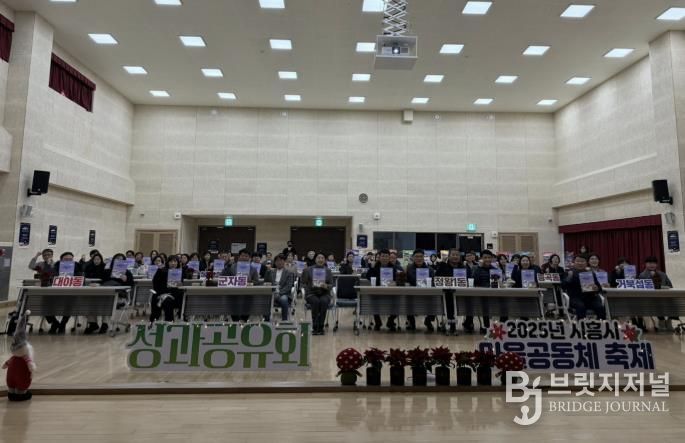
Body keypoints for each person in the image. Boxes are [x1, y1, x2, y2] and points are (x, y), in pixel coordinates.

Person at [86, 252, 135, 334]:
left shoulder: (127, 273)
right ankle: (93, 323)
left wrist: (126, 280)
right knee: (91, 299)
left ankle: (105, 324)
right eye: (117, 259)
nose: (119, 261)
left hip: (118, 296)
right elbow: (102, 281)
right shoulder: (107, 271)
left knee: (108, 301)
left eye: (121, 260)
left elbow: (131, 286)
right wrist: (97, 284)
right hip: (104, 294)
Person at [47, 252, 83, 334]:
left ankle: (63, 323)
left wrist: (72, 275)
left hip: (71, 292)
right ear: (61, 260)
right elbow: (51, 277)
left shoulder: (77, 266)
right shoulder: (56, 265)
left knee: (70, 303)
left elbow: (81, 277)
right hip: (56, 292)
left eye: (70, 259)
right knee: (45, 302)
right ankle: (55, 322)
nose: (68, 261)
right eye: (66, 259)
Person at [435, 248, 469, 335]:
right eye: (453, 255)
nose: (455, 256)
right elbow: (437, 278)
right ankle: (451, 325)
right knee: (449, 302)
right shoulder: (443, 266)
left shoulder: (463, 268)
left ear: (460, 257)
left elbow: (468, 280)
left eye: (457, 255)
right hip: (447, 294)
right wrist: (442, 264)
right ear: (449, 256)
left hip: (461, 294)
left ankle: (465, 323)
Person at [463, 250, 497, 334]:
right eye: (485, 257)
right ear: (481, 258)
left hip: (490, 295)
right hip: (477, 293)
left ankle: (486, 326)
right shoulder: (476, 268)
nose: (487, 259)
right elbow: (474, 280)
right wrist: (480, 268)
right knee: (470, 302)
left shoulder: (495, 269)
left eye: (489, 257)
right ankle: (469, 323)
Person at [222, 249, 261, 321]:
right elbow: (224, 277)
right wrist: (228, 265)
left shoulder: (253, 268)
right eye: (242, 256)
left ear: (249, 258)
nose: (244, 258)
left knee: (249, 301)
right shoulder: (232, 266)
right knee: (232, 300)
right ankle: (236, 320)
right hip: (234, 292)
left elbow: (257, 282)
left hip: (248, 293)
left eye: (246, 256)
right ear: (239, 257)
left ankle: (243, 320)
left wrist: (250, 281)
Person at [562, 255, 605, 320]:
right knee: (581, 306)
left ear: (586, 263)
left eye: (582, 261)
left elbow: (599, 288)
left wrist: (597, 288)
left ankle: (601, 324)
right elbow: (563, 286)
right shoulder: (569, 273)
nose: (580, 263)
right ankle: (581, 324)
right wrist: (568, 279)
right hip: (576, 298)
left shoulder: (591, 273)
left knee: (600, 307)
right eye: (578, 261)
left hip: (590, 298)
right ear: (574, 262)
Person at [365, 249, 398, 331]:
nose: (384, 258)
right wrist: (372, 269)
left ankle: (390, 321)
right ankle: (378, 322)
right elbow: (368, 276)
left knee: (400, 302)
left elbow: (397, 280)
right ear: (379, 257)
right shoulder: (375, 266)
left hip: (391, 293)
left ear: (389, 258)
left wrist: (395, 282)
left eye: (386, 256)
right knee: (373, 300)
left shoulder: (393, 268)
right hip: (377, 292)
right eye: (383, 256)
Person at [301, 252, 333, 335]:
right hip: (311, 293)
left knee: (324, 301)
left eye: (322, 258)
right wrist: (309, 286)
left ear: (325, 260)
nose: (320, 260)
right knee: (315, 301)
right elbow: (303, 283)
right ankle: (315, 327)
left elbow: (331, 285)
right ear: (315, 260)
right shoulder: (308, 270)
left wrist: (326, 286)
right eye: (318, 258)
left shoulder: (328, 270)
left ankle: (321, 327)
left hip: (324, 293)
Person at [639, 256, 675, 331]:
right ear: (645, 264)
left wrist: (664, 287)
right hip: (649, 299)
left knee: (673, 301)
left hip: (663, 297)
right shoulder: (642, 275)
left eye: (654, 263)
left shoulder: (663, 274)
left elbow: (670, 286)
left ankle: (669, 320)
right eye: (649, 263)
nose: (652, 265)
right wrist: (651, 277)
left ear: (656, 264)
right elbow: (642, 287)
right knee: (658, 303)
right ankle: (661, 321)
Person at [406, 249, 435, 332]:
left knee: (435, 299)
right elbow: (409, 280)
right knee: (407, 299)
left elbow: (433, 282)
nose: (419, 258)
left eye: (421, 256)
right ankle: (411, 321)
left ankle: (428, 320)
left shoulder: (430, 269)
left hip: (427, 294)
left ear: (424, 257)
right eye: (417, 257)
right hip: (412, 294)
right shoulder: (408, 268)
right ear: (413, 258)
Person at [151, 255, 184, 323]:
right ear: (168, 262)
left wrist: (179, 284)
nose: (173, 263)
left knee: (185, 298)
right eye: (171, 261)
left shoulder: (180, 272)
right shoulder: (161, 270)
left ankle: (183, 318)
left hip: (176, 294)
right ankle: (169, 322)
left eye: (175, 261)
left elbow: (182, 285)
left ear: (177, 263)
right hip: (163, 294)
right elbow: (155, 283)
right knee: (168, 301)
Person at [264, 254, 296, 321]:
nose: (279, 262)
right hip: (271, 292)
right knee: (265, 300)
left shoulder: (289, 273)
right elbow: (266, 281)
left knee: (284, 300)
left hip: (283, 293)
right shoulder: (271, 271)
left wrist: (279, 293)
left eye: (281, 260)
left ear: (284, 262)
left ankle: (284, 320)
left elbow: (289, 286)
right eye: (277, 261)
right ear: (275, 262)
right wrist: (267, 271)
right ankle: (267, 320)